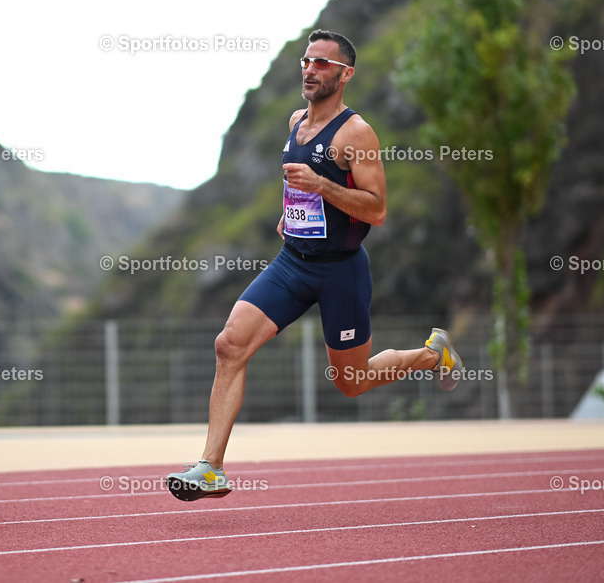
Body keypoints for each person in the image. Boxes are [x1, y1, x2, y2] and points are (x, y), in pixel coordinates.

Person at [166, 29, 463, 502]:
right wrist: (291, 213)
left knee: (352, 382)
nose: (310, 69)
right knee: (229, 345)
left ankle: (433, 354)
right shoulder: (295, 122)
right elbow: (299, 183)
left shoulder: (356, 134)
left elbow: (377, 209)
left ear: (345, 75)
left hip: (341, 271)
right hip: (292, 263)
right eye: (306, 60)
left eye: (322, 63)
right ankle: (211, 467)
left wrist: (322, 185)